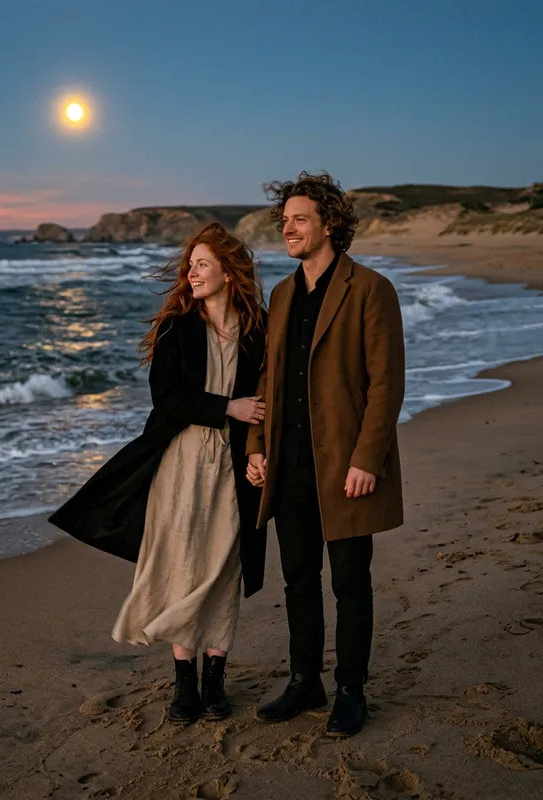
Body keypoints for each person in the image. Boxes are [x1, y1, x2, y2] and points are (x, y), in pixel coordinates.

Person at [50, 222, 267, 725]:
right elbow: (167, 400)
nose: (191, 272)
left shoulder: (260, 327)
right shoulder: (176, 326)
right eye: (189, 265)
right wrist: (227, 408)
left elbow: (268, 398)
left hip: (235, 466)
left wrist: (260, 451)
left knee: (225, 569)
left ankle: (216, 681)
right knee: (186, 565)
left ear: (229, 273)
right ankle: (185, 685)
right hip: (183, 460)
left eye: (202, 264)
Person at [246, 172, 405, 737]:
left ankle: (351, 691)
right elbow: (268, 377)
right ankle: (304, 680)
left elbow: (386, 385)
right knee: (296, 579)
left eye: (299, 219)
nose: (287, 227)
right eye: (284, 219)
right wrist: (257, 445)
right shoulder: (283, 294)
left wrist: (368, 458)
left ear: (330, 224)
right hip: (287, 464)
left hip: (343, 463)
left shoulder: (369, 289)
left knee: (349, 581)